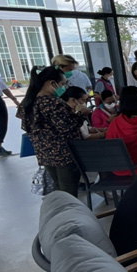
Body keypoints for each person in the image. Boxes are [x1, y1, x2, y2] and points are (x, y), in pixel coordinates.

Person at [17, 66, 85, 196]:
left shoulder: (28, 102)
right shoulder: (52, 103)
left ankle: (61, 208)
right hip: (63, 153)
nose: (64, 87)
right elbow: (66, 127)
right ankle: (69, 209)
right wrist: (81, 114)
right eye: (62, 84)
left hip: (44, 152)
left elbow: (27, 127)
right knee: (68, 189)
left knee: (58, 186)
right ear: (52, 83)